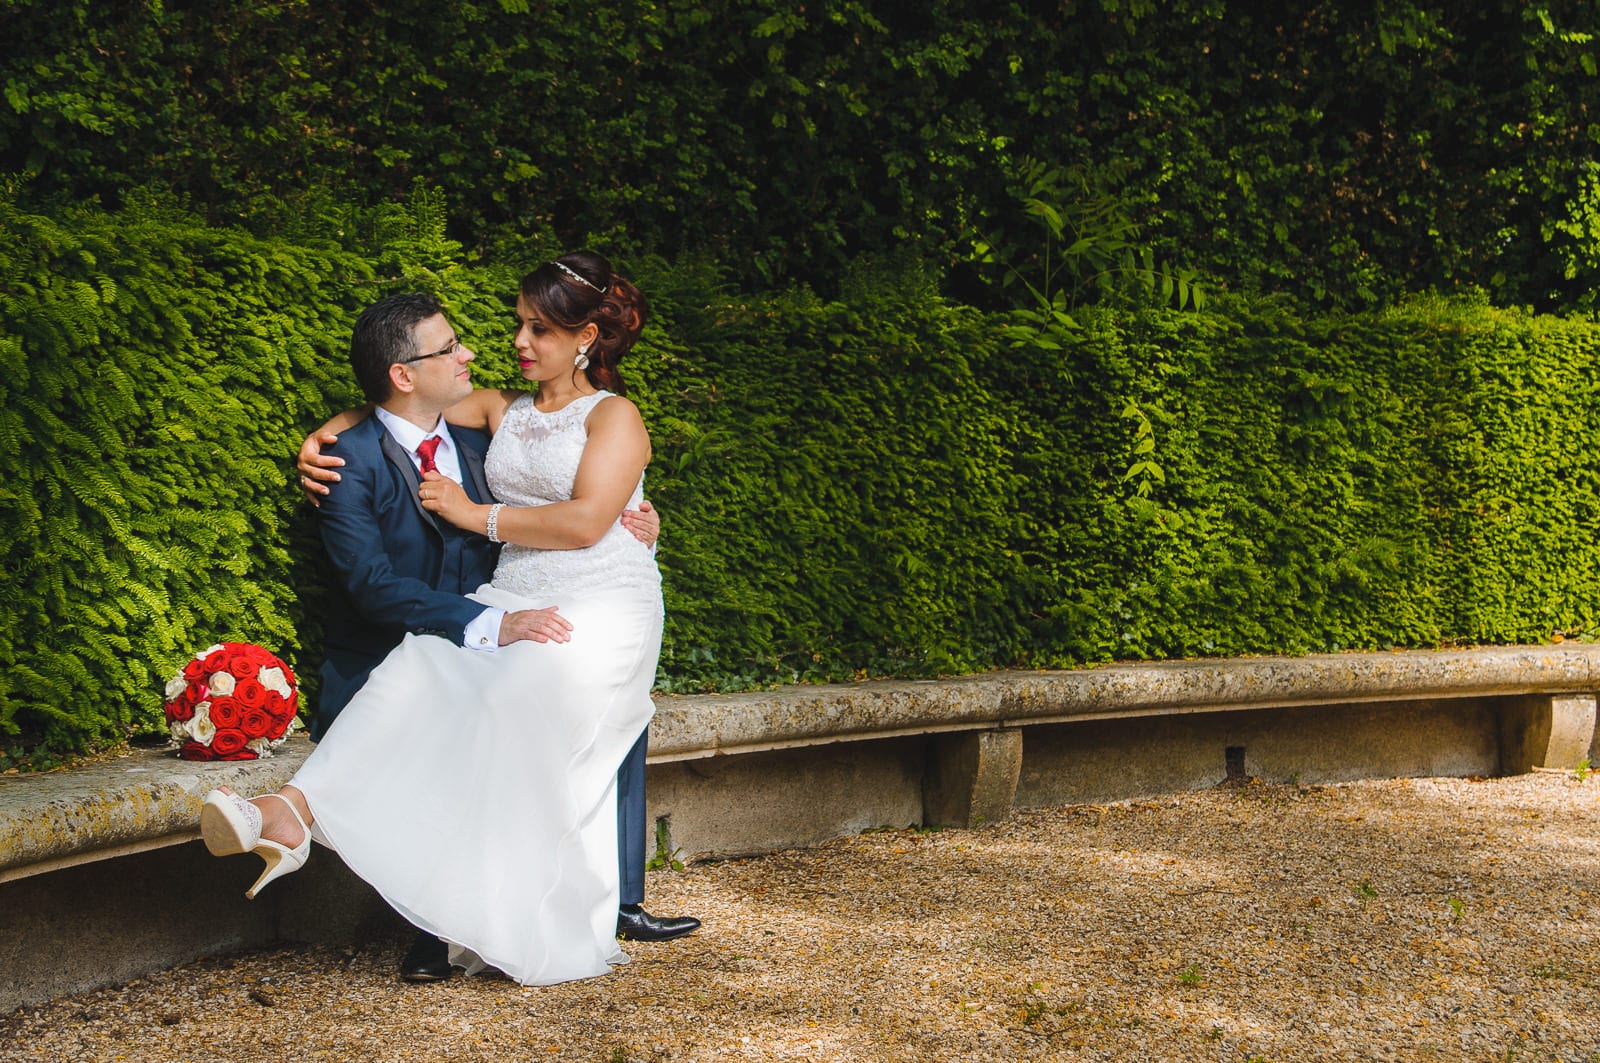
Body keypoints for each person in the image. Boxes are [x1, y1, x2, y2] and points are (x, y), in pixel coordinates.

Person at [201, 254, 698, 986]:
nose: (519, 340)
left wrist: (475, 514)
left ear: (586, 336)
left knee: (502, 693)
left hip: (601, 595)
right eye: (520, 323)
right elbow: (394, 404)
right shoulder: (505, 409)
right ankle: (290, 809)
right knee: (419, 667)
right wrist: (322, 434)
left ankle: (509, 903)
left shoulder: (616, 415)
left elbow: (592, 519)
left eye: (540, 328)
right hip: (515, 591)